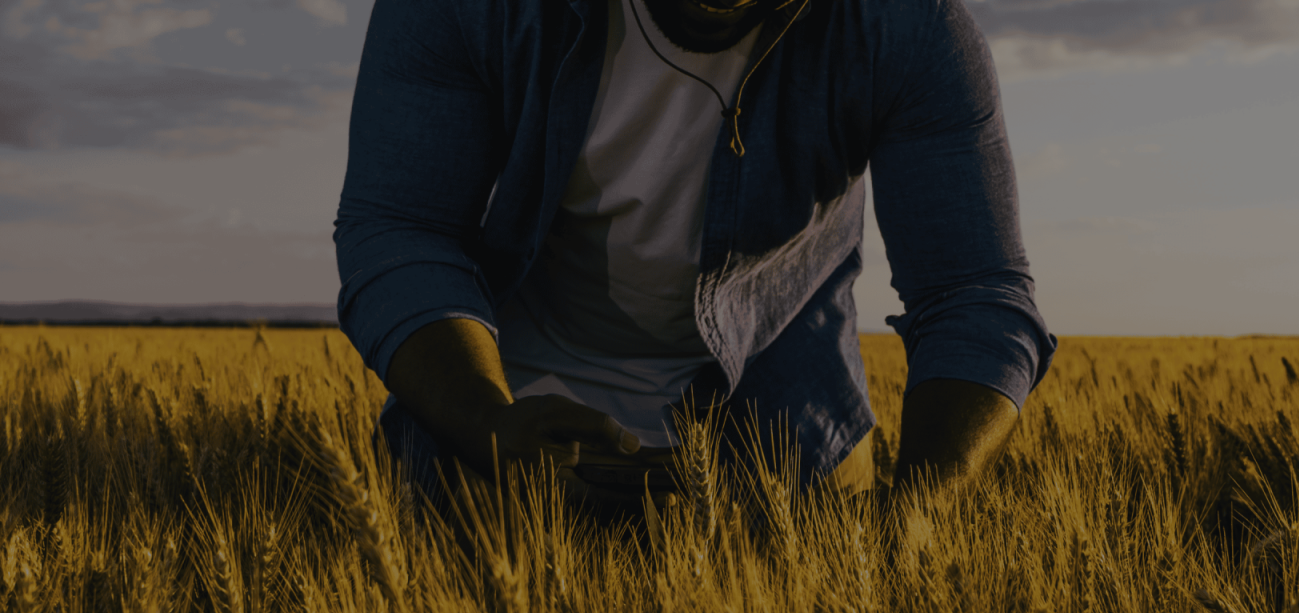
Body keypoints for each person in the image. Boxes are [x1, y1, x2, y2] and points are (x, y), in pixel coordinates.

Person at [332, 0, 1057, 514]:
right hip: (496, 422)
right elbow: (401, 228)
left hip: (791, 445)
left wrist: (918, 514)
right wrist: (484, 423)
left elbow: (975, 293)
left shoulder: (909, 27)